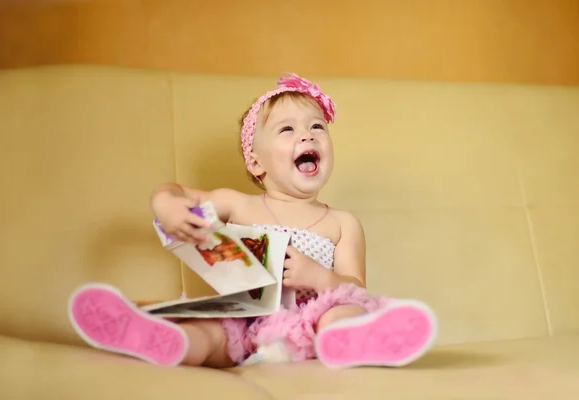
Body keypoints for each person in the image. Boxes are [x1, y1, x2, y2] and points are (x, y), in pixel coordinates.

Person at [68, 73, 438, 369]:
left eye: (317, 127)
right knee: (210, 331)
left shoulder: (342, 224)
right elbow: (179, 192)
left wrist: (320, 278)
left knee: (342, 312)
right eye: (287, 129)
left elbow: (356, 287)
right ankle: (169, 343)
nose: (307, 134)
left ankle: (357, 343)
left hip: (312, 328)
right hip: (245, 323)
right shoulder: (239, 204)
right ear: (256, 163)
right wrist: (165, 204)